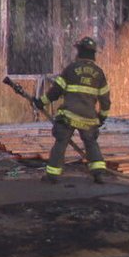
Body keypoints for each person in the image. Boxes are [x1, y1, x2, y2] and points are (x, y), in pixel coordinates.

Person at [34, 36, 111, 184]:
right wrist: (101, 117)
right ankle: (99, 174)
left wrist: (41, 102)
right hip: (89, 118)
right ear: (93, 54)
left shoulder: (71, 69)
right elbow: (105, 100)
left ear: (80, 52)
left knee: (61, 142)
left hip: (69, 115)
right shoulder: (99, 73)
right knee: (91, 143)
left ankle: (52, 175)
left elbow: (56, 91)